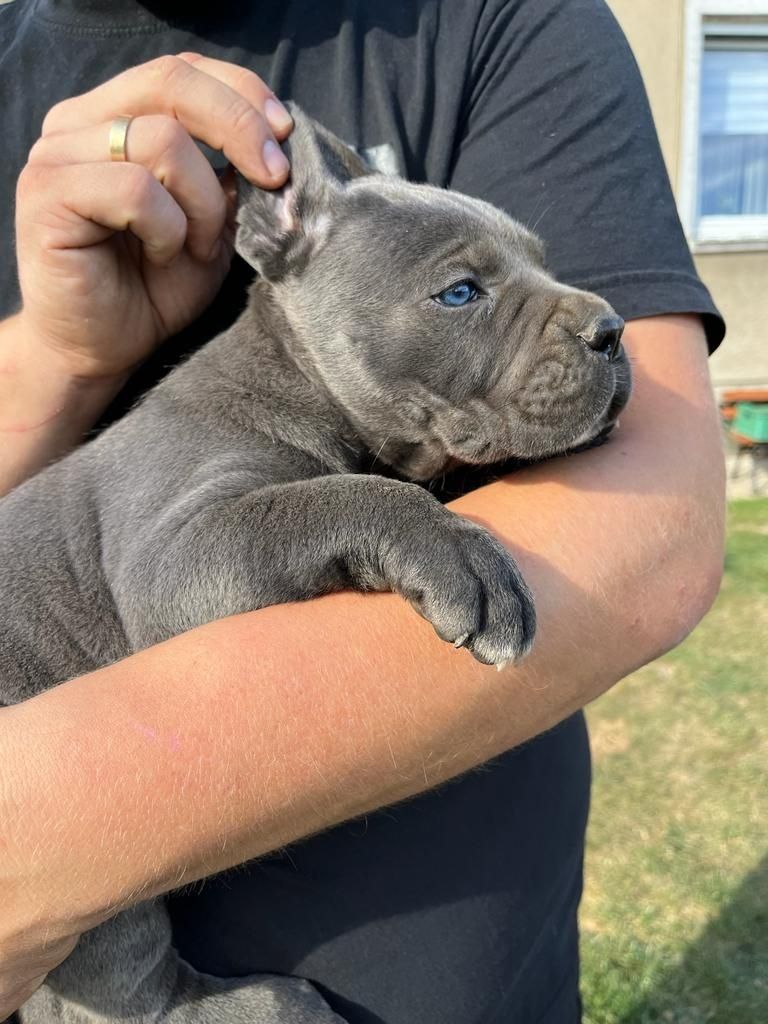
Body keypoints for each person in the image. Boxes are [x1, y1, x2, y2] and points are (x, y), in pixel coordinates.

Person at [0, 1, 726, 1021]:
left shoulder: (488, 23)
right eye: (466, 294)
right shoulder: (221, 423)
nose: (581, 317)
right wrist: (54, 358)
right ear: (277, 231)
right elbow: (177, 583)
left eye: (537, 269)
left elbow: (662, 536)